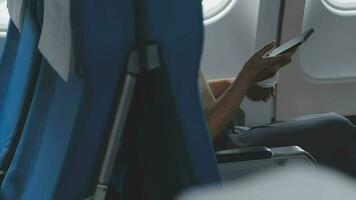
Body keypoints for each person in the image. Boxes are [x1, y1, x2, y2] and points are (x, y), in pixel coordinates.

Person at [199, 41, 356, 176]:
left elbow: (191, 92)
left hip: (229, 133)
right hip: (220, 151)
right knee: (337, 131)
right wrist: (246, 77)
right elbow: (199, 137)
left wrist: (235, 84)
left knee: (337, 127)